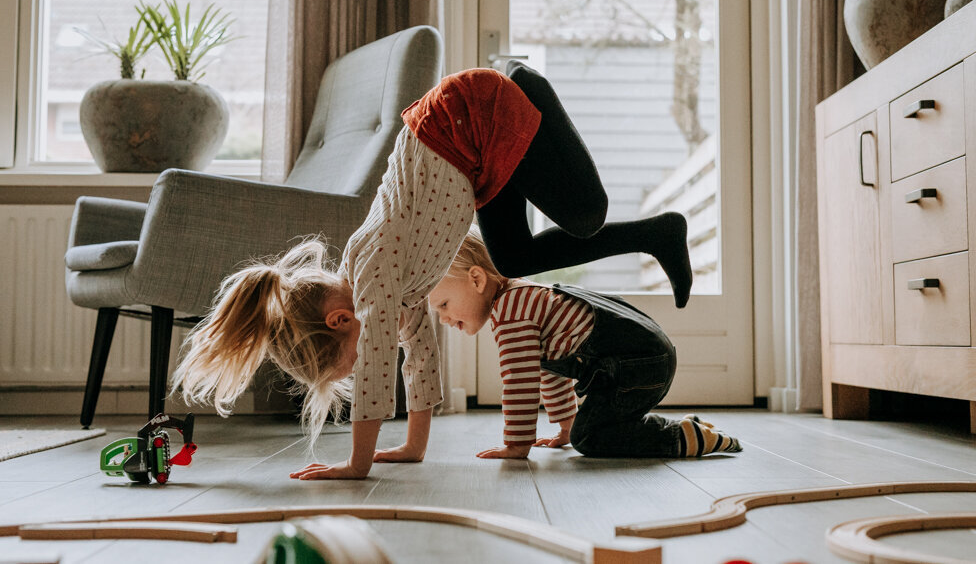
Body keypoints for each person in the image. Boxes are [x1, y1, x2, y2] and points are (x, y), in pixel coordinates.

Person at [172, 62, 693, 480]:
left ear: (338, 322)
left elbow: (380, 365)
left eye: (345, 362)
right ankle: (659, 234)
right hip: (469, 149)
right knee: (511, 257)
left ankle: (524, 82)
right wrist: (412, 447)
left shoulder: (373, 274)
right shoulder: (393, 289)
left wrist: (357, 464)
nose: (358, 367)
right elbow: (417, 357)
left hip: (466, 116)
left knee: (586, 216)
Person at [428, 228, 741, 459]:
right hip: (645, 357)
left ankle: (681, 437)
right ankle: (687, 431)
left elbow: (520, 383)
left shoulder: (510, 312)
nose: (442, 318)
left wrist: (517, 444)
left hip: (636, 364)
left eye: (443, 304)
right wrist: (566, 425)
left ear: (477, 280)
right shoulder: (520, 294)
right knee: (584, 430)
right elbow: (551, 369)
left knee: (590, 438)